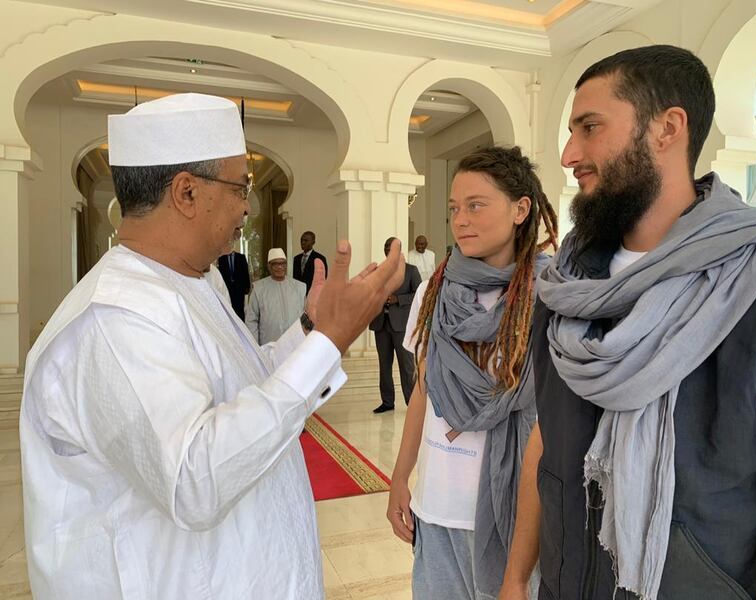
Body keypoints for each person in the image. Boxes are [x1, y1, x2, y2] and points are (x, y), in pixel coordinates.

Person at [19, 92, 405, 600]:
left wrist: (312, 330)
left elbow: (243, 382)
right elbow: (192, 479)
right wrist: (330, 342)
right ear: (185, 193)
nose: (247, 204)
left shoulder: (198, 282)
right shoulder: (114, 318)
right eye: (239, 186)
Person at [499, 45, 756, 600]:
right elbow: (548, 441)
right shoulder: (567, 284)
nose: (569, 154)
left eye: (590, 127)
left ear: (668, 128)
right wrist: (517, 578)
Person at [387, 146, 558, 600]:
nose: (460, 219)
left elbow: (552, 419)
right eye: (454, 209)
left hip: (512, 517)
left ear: (521, 209)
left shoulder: (550, 295)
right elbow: (423, 392)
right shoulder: (434, 290)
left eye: (476, 205)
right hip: (438, 508)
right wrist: (400, 478)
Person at [370, 237, 422, 413]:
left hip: (401, 325)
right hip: (381, 324)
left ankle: (412, 403)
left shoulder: (411, 271)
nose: (387, 249)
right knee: (384, 366)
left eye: (390, 247)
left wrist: (398, 299)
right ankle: (387, 402)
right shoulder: (378, 271)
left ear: (399, 250)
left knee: (406, 367)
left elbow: (418, 294)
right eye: (385, 246)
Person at [246, 248, 306, 345]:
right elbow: (251, 320)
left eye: (283, 263)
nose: (280, 267)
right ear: (269, 266)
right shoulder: (259, 288)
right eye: (276, 264)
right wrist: (255, 347)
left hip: (296, 345)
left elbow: (306, 317)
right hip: (269, 346)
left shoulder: (299, 287)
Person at [217, 248, 251, 320]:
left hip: (239, 289)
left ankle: (241, 325)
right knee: (229, 308)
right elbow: (221, 274)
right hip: (227, 289)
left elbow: (245, 273)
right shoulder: (222, 259)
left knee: (240, 309)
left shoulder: (241, 257)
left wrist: (247, 287)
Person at [293, 230, 328, 295]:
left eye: (306, 240)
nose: (302, 242)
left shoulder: (320, 258)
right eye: (301, 240)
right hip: (298, 294)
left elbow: (322, 279)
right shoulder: (296, 259)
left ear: (313, 242)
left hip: (313, 294)